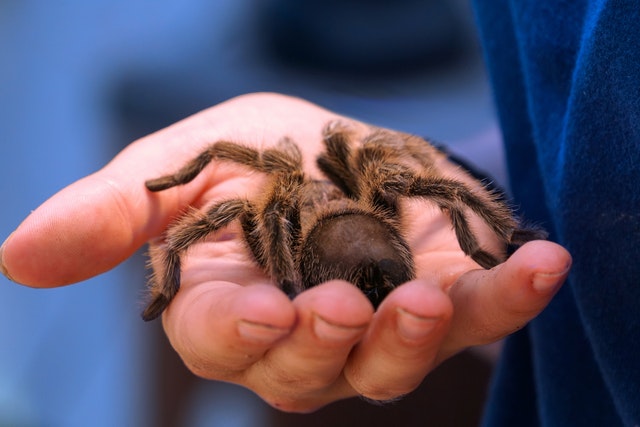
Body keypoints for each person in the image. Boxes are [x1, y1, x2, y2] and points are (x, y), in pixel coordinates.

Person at [2, 2, 638, 427]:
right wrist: (467, 172)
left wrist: (282, 281)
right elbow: (420, 160)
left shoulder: (269, 209)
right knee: (406, 171)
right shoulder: (369, 187)